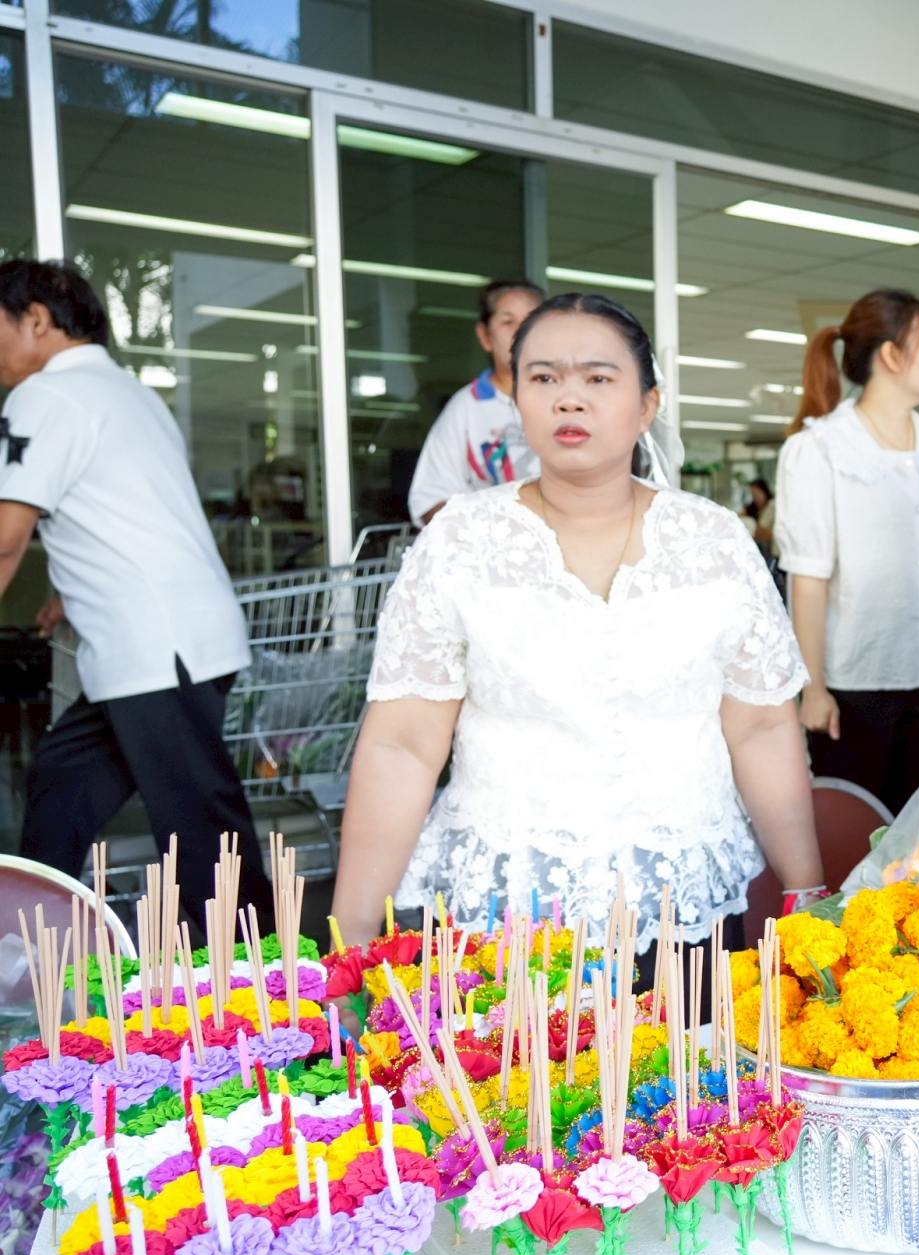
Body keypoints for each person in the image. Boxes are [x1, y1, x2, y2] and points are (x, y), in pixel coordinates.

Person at [331, 293, 824, 959]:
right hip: (509, 915)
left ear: (647, 404)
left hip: (683, 912)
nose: (569, 398)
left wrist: (806, 886)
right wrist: (354, 932)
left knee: (685, 1063)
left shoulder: (712, 541)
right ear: (518, 402)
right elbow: (404, 746)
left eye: (598, 377)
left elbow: (761, 724)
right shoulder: (461, 541)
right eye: (543, 377)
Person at [0, 259, 273, 926]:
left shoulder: (44, 397)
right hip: (162, 641)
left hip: (158, 648)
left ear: (37, 321)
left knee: (203, 833)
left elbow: (6, 536)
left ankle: (268, 997)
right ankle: (27, 945)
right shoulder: (130, 392)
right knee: (64, 779)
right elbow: (131, 509)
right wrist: (74, 589)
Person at [775, 290, 919, 815]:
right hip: (853, 689)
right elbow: (808, 577)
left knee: (917, 844)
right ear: (891, 355)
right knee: (852, 835)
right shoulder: (822, 449)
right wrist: (812, 689)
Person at [407, 279, 544, 525]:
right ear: (485, 336)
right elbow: (430, 501)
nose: (522, 331)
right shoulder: (466, 408)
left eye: (531, 319)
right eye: (508, 322)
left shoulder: (569, 399)